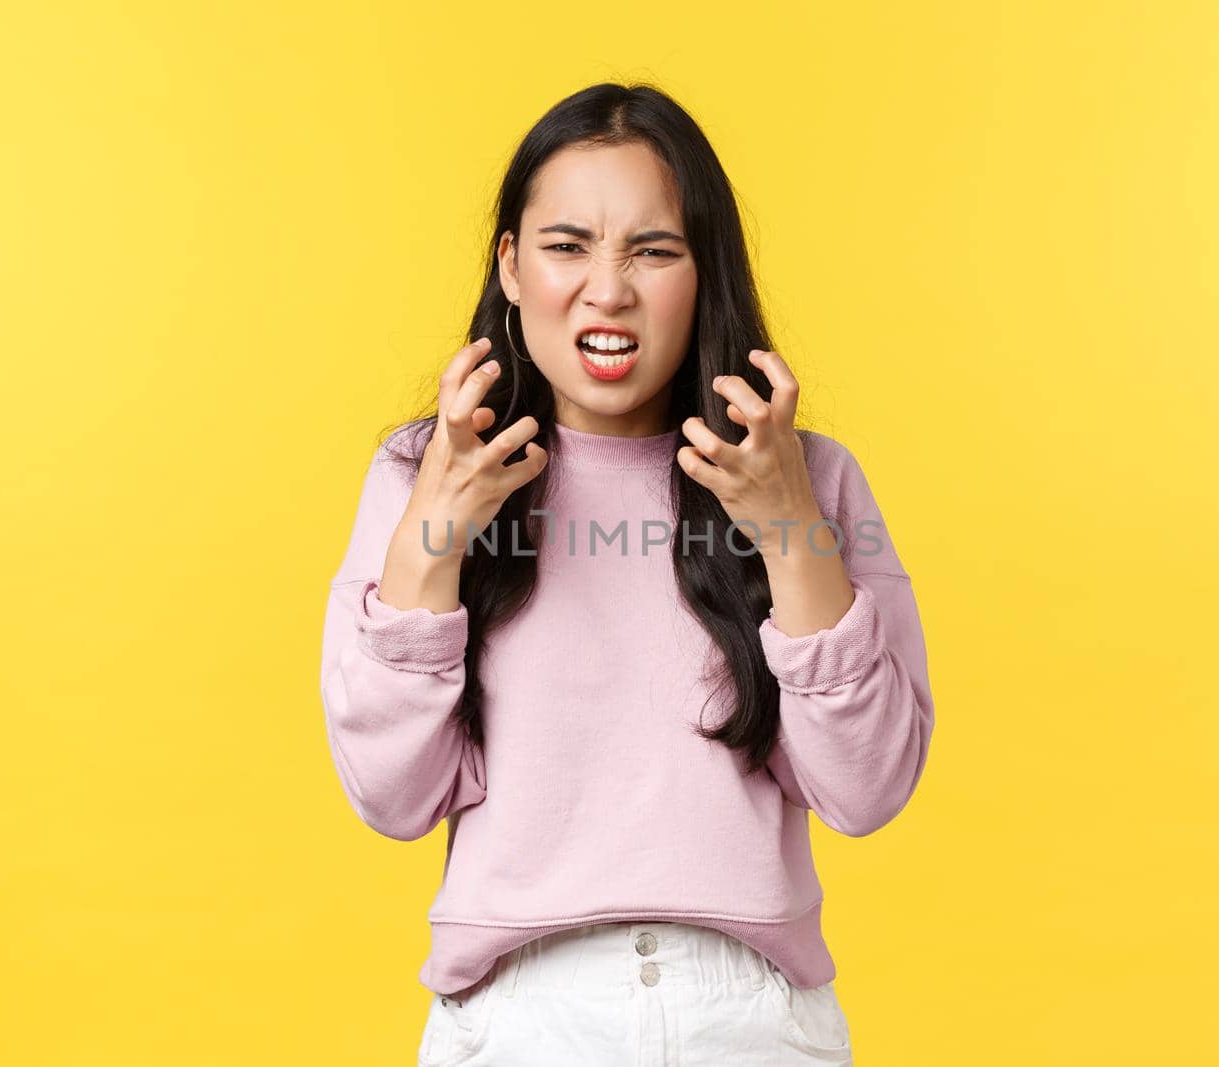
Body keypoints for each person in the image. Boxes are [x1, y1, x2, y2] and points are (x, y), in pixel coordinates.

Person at [319, 81, 936, 1066]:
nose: (607, 288)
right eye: (567, 246)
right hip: (516, 1016)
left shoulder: (810, 479)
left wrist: (785, 527)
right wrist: (431, 540)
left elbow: (865, 788)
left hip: (749, 1015)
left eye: (653, 250)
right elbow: (392, 796)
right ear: (511, 267)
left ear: (704, 274)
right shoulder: (420, 473)